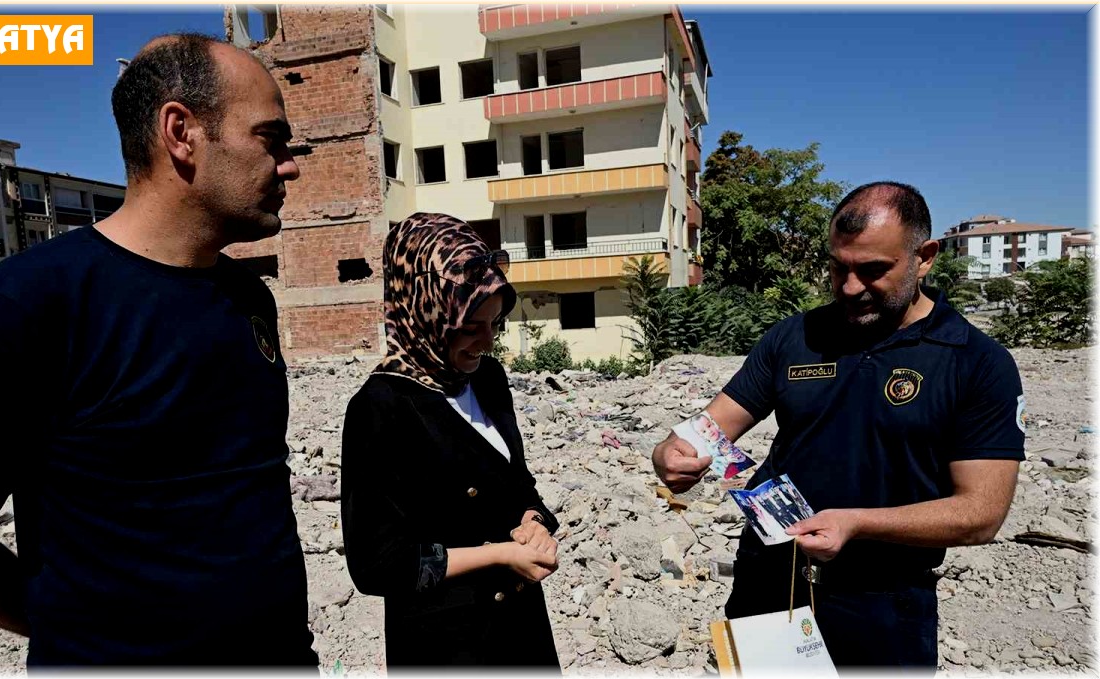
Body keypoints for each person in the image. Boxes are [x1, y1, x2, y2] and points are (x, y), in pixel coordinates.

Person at [0, 33, 320, 667]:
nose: (289, 165)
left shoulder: (245, 297)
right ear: (181, 132)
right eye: (271, 139)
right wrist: (80, 635)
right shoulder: (22, 307)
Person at [651, 182, 1024, 670]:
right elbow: (713, 425)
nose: (850, 287)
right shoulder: (795, 336)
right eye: (837, 267)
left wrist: (857, 523)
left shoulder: (976, 362)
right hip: (769, 583)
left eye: (872, 271)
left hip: (881, 602)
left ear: (924, 257)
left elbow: (981, 513)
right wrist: (672, 451)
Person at [340, 213, 562, 670]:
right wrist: (500, 554)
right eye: (469, 327)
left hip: (520, 632)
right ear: (423, 311)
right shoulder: (383, 407)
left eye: (495, 323)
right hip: (447, 643)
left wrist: (533, 520)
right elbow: (378, 565)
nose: (487, 342)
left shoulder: (488, 380)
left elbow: (517, 483)